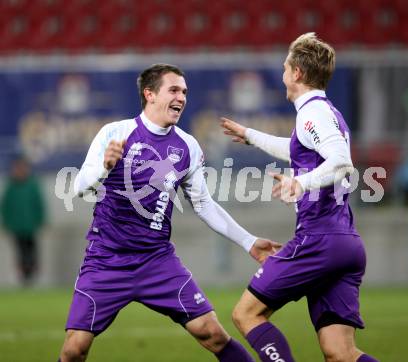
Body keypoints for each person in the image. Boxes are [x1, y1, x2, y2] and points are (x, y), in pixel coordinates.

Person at [58, 63, 281, 362]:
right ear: (149, 94)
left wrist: (249, 241)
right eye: (174, 90)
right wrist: (105, 166)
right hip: (107, 259)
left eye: (185, 92)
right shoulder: (115, 132)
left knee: (212, 333)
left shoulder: (187, 146)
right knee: (74, 349)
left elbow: (203, 204)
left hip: (156, 260)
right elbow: (79, 188)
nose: (182, 98)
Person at [221, 33, 378, 362]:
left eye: (284, 67)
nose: (282, 74)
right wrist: (250, 135)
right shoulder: (324, 112)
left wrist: (301, 184)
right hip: (345, 242)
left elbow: (341, 161)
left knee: (246, 314)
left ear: (296, 73)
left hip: (319, 240)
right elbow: (298, 147)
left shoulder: (312, 114)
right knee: (340, 352)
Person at [0, 155, 46, 285]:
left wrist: (40, 219)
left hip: (30, 226)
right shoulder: (11, 186)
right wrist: (6, 222)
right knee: (20, 251)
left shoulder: (32, 185)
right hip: (17, 226)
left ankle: (33, 275)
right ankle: (23, 276)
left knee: (32, 251)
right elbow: (5, 206)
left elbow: (39, 204)